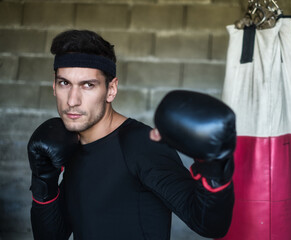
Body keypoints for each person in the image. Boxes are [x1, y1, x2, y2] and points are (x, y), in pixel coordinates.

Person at [27, 29, 236, 240]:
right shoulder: (69, 145)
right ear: (54, 86)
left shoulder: (140, 144)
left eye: (88, 85)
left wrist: (213, 166)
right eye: (65, 83)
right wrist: (44, 181)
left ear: (111, 89)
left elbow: (209, 225)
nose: (72, 100)